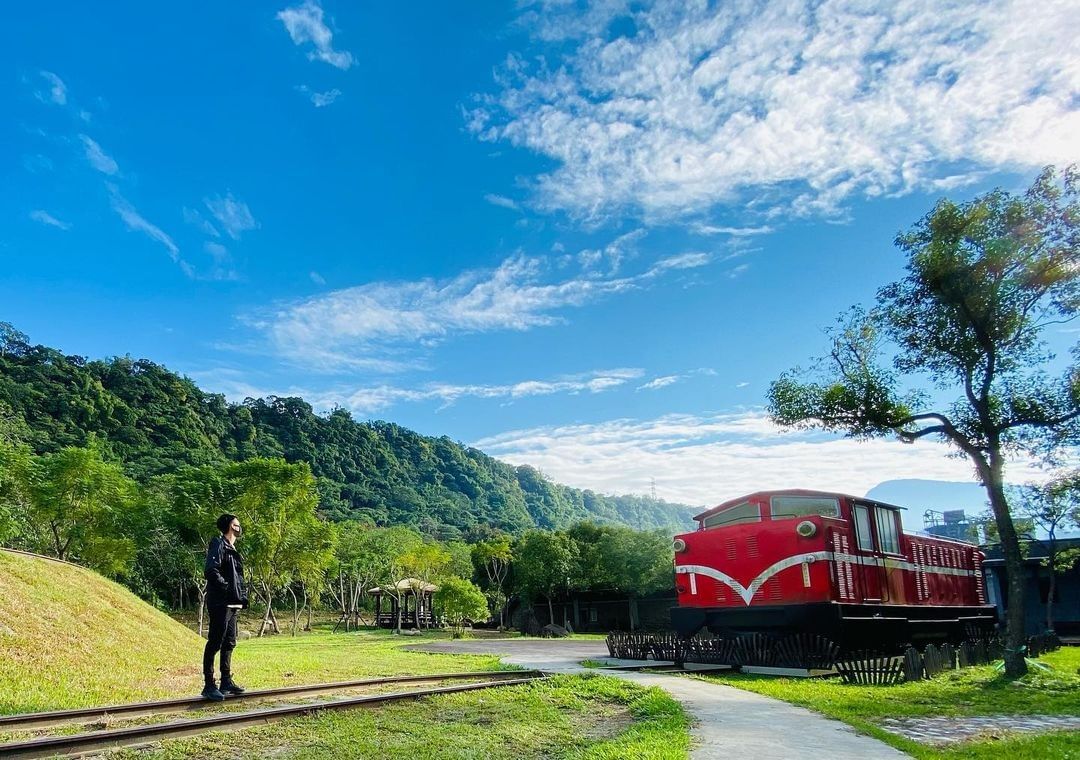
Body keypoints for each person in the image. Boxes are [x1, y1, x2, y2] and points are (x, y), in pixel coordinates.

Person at [202, 513, 249, 701]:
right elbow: (210, 570)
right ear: (231, 526)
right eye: (237, 524)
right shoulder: (219, 544)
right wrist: (227, 588)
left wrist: (241, 596)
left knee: (229, 642)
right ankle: (209, 684)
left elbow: (238, 578)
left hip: (233, 602)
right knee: (215, 641)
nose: (239, 527)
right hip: (220, 602)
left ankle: (226, 680)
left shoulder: (233, 549)